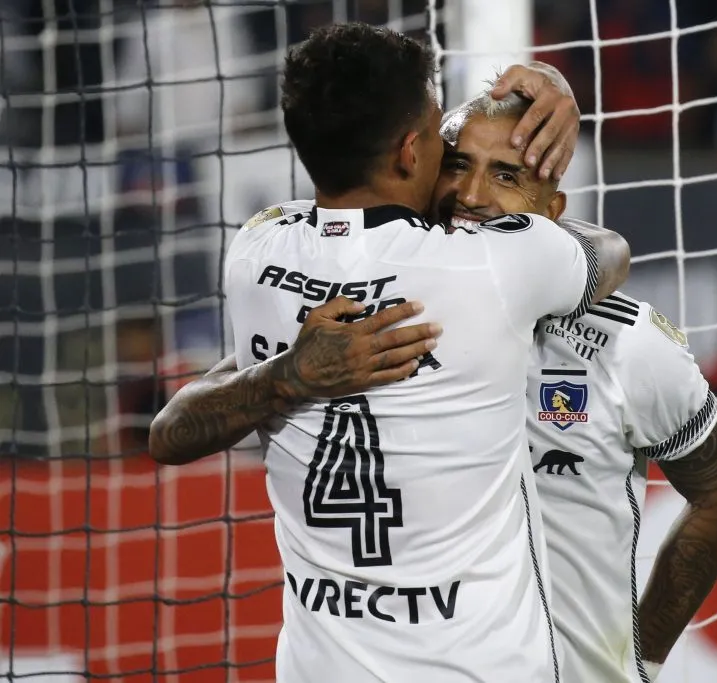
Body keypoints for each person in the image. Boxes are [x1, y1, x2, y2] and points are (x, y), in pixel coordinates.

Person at [151, 22, 630, 683]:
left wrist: (288, 376)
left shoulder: (256, 253)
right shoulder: (498, 267)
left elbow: (170, 432)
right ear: (410, 152)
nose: (452, 157)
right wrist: (556, 98)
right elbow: (609, 254)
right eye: (443, 135)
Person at [432, 88, 717, 682]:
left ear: (551, 211)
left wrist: (643, 657)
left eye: (504, 175)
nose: (470, 194)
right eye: (458, 164)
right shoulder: (399, 314)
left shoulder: (628, 344)